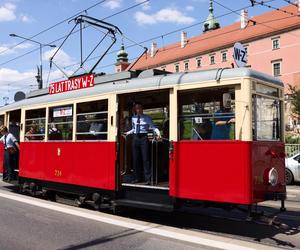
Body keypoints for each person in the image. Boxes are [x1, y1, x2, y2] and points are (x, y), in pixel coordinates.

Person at [124, 103, 161, 185]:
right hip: (135, 138)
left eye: (140, 108)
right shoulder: (133, 118)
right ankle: (137, 178)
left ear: (142, 109)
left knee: (145, 159)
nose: (138, 110)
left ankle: (148, 178)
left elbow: (153, 127)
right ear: (135, 109)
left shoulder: (147, 118)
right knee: (136, 159)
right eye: (137, 108)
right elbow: (134, 129)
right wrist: (127, 133)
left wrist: (158, 134)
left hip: (144, 138)